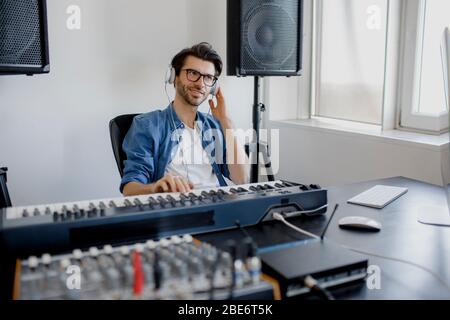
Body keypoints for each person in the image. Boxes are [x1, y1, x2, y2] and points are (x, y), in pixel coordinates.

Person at [121, 42, 249, 196]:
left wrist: (225, 121)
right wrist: (155, 188)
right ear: (174, 77)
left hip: (217, 208)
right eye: (192, 73)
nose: (200, 84)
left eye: (208, 77)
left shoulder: (214, 125)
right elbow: (129, 189)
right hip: (175, 210)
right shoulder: (148, 125)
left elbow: (242, 179)